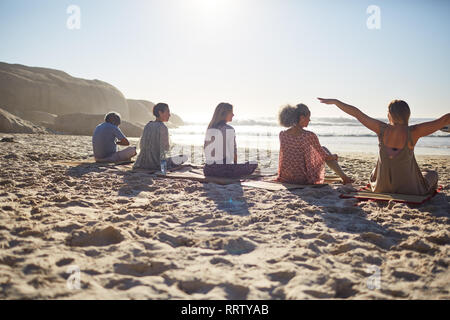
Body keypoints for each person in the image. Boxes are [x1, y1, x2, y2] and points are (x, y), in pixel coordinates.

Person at [318, 98, 450, 195]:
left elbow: (357, 113)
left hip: (381, 187)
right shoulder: (414, 131)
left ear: (390, 115)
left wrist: (336, 102)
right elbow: (445, 119)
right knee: (432, 174)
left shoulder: (381, 129)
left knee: (374, 172)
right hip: (410, 189)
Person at [277, 103, 353, 185]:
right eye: (308, 117)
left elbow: (287, 156)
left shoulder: (282, 134)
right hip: (301, 179)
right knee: (324, 149)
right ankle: (344, 178)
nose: (309, 120)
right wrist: (334, 156)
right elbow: (325, 157)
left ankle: (344, 178)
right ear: (302, 118)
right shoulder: (308, 135)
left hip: (285, 177)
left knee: (309, 152)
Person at [203, 103, 257, 178]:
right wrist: (235, 167)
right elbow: (233, 152)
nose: (233, 114)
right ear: (224, 114)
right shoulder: (229, 129)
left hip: (208, 170)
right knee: (254, 163)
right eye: (231, 112)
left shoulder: (210, 128)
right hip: (222, 170)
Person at [133, 103, 187, 170]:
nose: (169, 115)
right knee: (184, 157)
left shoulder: (148, 125)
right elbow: (165, 149)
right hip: (157, 163)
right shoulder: (163, 127)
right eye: (168, 112)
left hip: (143, 162)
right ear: (160, 113)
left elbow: (141, 145)